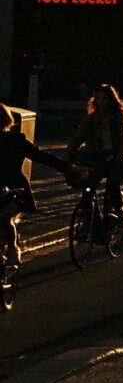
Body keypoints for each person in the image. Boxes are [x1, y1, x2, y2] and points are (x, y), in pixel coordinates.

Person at [0, 102, 77, 265]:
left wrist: (69, 168)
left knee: (4, 217)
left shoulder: (15, 140)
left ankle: (14, 248)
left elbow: (41, 157)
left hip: (14, 191)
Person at [66, 84, 123, 221]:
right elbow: (80, 136)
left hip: (115, 156)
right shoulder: (92, 118)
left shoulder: (118, 117)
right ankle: (87, 218)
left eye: (104, 99)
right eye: (98, 99)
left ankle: (118, 211)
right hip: (96, 157)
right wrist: (70, 151)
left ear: (111, 100)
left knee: (112, 184)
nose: (101, 102)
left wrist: (121, 156)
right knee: (88, 184)